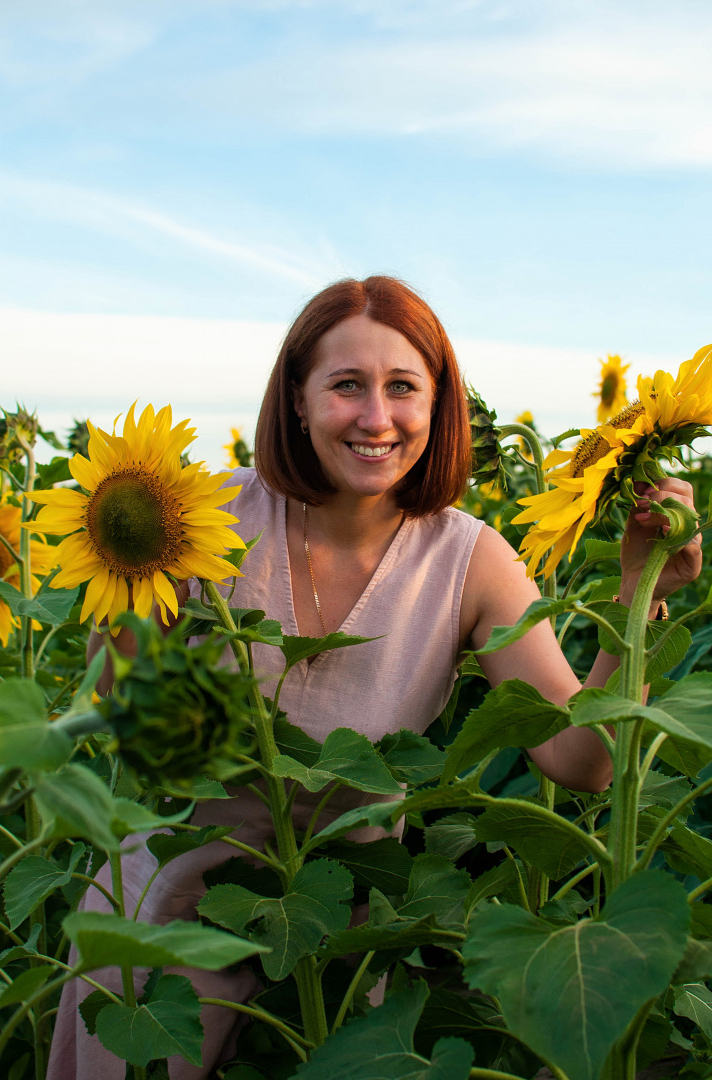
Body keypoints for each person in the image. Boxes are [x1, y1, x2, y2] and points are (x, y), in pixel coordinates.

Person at [47, 276, 702, 1079]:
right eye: (345, 386)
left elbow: (580, 761)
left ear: (437, 405)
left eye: (402, 388)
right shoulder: (195, 518)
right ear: (296, 399)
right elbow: (113, 705)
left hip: (345, 932)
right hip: (172, 922)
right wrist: (125, 579)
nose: (376, 417)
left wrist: (638, 593)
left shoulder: (468, 561)